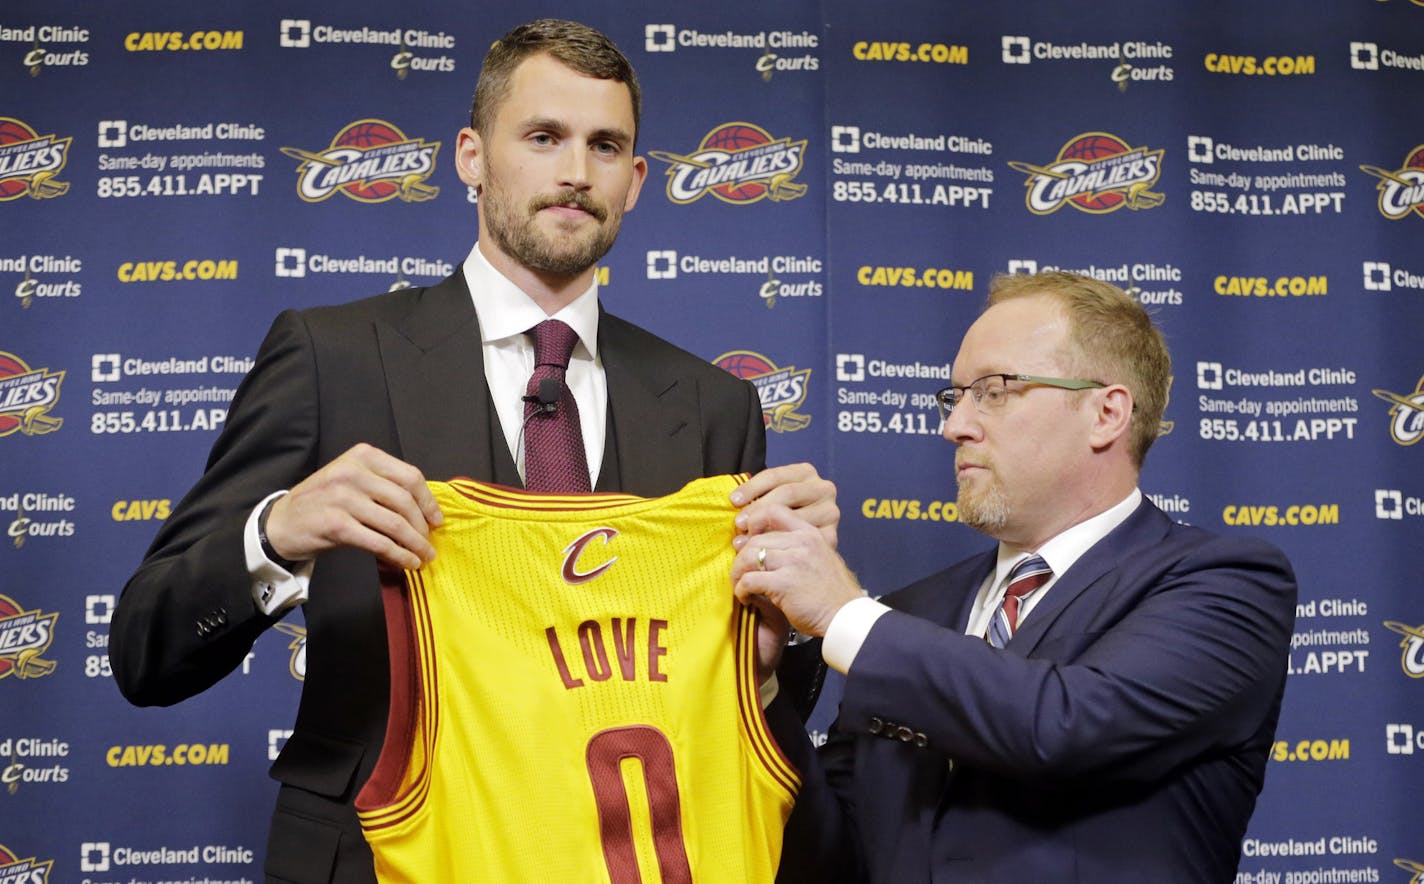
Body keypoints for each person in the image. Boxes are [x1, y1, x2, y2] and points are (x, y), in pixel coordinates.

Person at [111, 19, 833, 884]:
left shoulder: (715, 406)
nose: (575, 171)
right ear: (470, 155)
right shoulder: (330, 356)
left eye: (606, 146)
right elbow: (143, 652)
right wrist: (277, 534)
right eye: (542, 137)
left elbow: (742, 729)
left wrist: (774, 652)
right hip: (373, 856)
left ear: (636, 181)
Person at [734, 271, 1297, 883]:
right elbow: (833, 854)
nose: (955, 426)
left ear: (1106, 413)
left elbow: (1064, 727)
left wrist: (845, 614)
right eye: (955, 397)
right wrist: (760, 688)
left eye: (995, 391)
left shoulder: (1224, 585)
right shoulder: (911, 613)